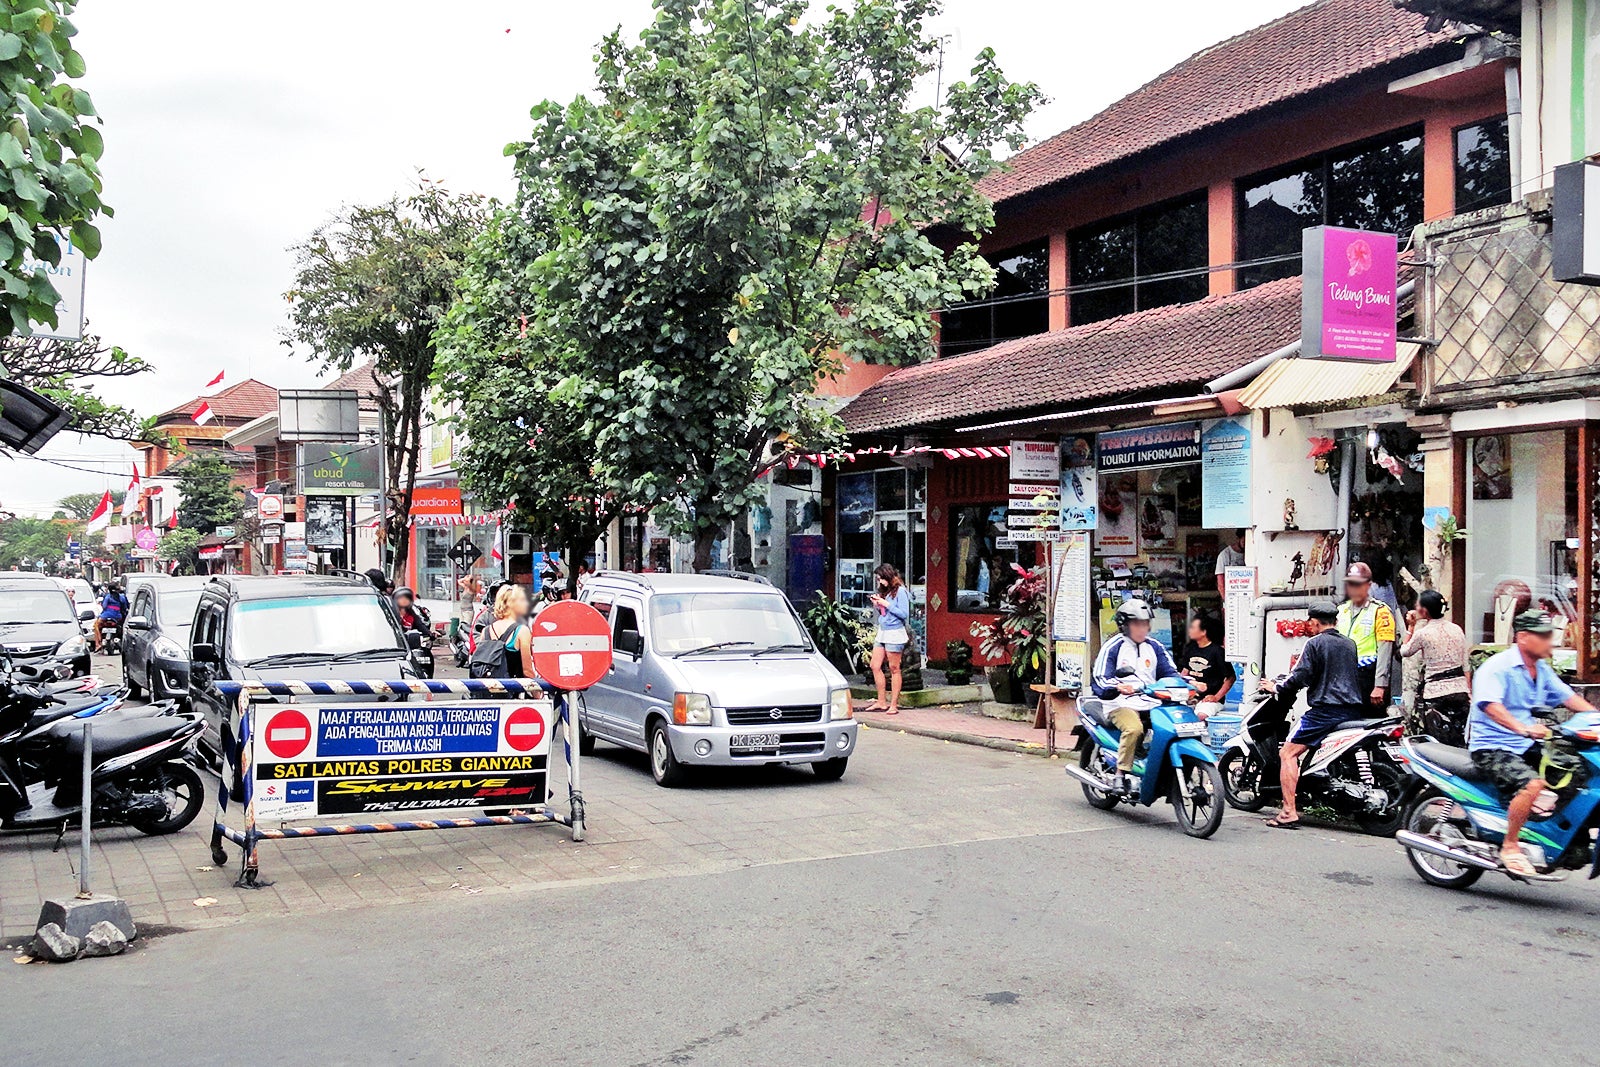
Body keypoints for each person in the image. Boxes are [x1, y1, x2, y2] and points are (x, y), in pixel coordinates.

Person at [1467, 610, 1597, 876]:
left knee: (1578, 774)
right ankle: (1511, 845)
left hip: (1525, 744)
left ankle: (1553, 837)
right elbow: (1491, 706)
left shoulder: (1540, 669)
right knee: (1532, 784)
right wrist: (1522, 728)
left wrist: (1596, 721)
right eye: (1545, 636)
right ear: (1524, 637)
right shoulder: (1498, 667)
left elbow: (1570, 699)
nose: (1551, 642)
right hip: (1493, 746)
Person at [1257, 601, 1366, 829]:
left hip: (1325, 712)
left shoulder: (1314, 643)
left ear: (1315, 622)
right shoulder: (1350, 644)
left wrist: (1275, 687)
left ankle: (1288, 811)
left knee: (1287, 753)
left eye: (1311, 622)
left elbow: (1300, 676)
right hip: (1353, 710)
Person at [1090, 600, 1179, 794]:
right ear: (1124, 625)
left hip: (1150, 701)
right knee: (1134, 728)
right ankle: (1120, 774)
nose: (1142, 628)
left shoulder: (1154, 646)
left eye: (1145, 623)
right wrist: (1118, 687)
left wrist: (1188, 683)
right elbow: (1100, 678)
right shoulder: (1113, 646)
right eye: (1137, 624)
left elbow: (1170, 673)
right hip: (1119, 703)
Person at [1401, 590, 1469, 744]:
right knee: (1459, 738)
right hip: (1460, 691)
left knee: (1438, 742)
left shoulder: (1423, 633)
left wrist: (1410, 627)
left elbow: (1404, 651)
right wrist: (1468, 689)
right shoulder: (1457, 629)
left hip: (1436, 693)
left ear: (1424, 611)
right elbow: (1465, 662)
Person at [1336, 562, 1398, 709]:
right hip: (1342, 678)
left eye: (1358, 584)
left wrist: (1380, 685)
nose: (1354, 588)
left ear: (1368, 585)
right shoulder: (1340, 610)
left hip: (1367, 677)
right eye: (1351, 584)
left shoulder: (1381, 612)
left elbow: (1385, 651)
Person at [864, 564, 912, 714]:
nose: (879, 582)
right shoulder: (886, 591)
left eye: (880, 579)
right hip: (883, 630)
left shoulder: (901, 592)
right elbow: (885, 613)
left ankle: (893, 705)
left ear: (888, 576)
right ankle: (881, 701)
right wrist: (878, 605)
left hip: (895, 632)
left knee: (894, 668)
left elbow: (904, 613)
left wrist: (886, 604)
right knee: (875, 665)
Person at [468, 584, 535, 679]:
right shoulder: (522, 631)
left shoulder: (486, 631)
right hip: (514, 689)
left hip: (490, 688)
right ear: (512, 604)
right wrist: (538, 692)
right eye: (522, 600)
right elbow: (527, 671)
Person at [1180, 611, 1234, 721]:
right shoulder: (1190, 649)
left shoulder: (1217, 651)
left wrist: (1216, 697)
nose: (1190, 630)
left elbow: (1231, 677)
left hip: (1209, 700)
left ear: (1203, 632)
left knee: (1200, 715)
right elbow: (1184, 672)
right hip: (1189, 697)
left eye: (1193, 628)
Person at [92, 580, 128, 652]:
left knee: (96, 625)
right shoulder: (122, 597)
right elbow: (125, 607)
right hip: (118, 617)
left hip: (105, 616)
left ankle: (98, 644)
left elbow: (104, 606)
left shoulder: (107, 596)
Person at [452, 573, 483, 642]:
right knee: (461, 626)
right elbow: (459, 581)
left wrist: (469, 578)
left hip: (468, 611)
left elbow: (465, 582)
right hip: (463, 610)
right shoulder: (466, 587)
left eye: (468, 578)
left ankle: (468, 641)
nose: (465, 579)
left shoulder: (471, 589)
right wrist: (466, 578)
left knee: (466, 627)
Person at [1215, 529, 1246, 596]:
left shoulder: (1250, 554)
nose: (1246, 545)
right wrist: (1226, 600)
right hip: (1231, 594)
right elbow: (1220, 582)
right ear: (1238, 539)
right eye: (1244, 542)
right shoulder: (1225, 555)